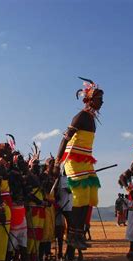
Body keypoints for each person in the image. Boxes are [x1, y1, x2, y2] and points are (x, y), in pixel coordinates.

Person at [54, 77, 103, 251]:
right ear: (89, 99)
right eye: (99, 99)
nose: (102, 103)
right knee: (81, 196)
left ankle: (78, 233)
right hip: (73, 160)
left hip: (86, 160)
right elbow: (65, 139)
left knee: (91, 195)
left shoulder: (91, 120)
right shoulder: (81, 116)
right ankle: (72, 236)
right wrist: (57, 163)